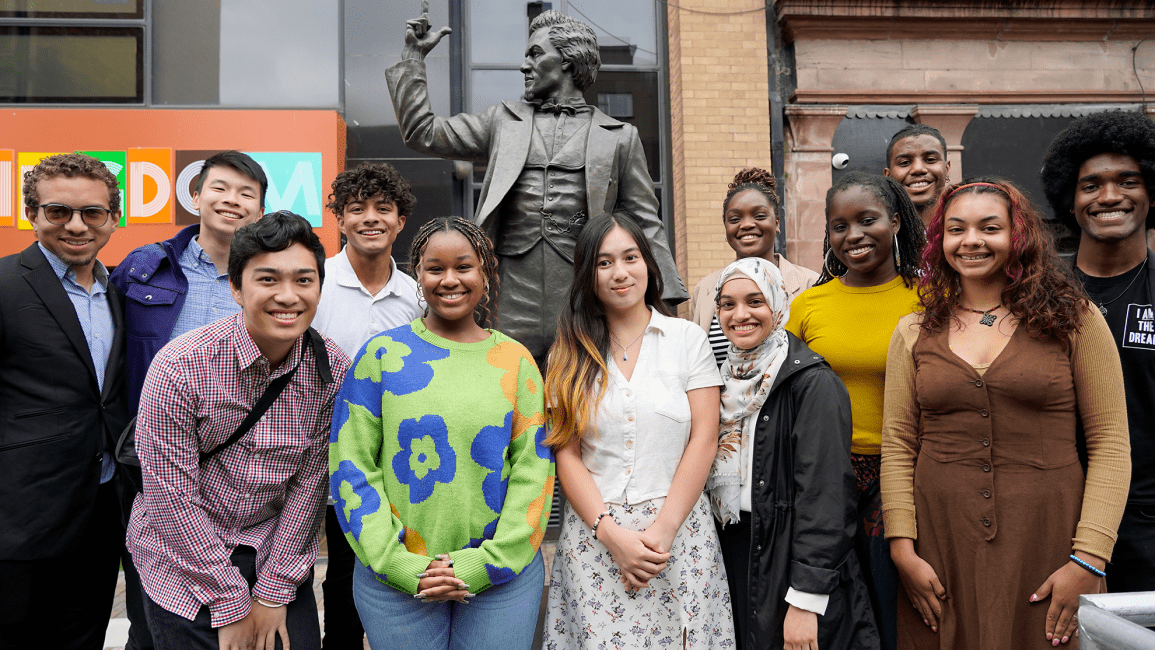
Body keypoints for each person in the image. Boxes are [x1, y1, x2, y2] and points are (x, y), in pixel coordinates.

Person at [881, 177, 1131, 649]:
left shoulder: (1076, 319)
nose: (971, 241)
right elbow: (897, 444)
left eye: (989, 228)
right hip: (941, 544)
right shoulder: (913, 329)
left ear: (1018, 236)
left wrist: (1089, 559)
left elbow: (1111, 443)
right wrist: (902, 548)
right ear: (940, 240)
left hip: (1049, 539)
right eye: (956, 230)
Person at [386, 9, 687, 365]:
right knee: (507, 402)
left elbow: (644, 219)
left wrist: (666, 296)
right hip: (508, 296)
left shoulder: (619, 138)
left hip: (579, 299)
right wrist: (413, 59)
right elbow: (423, 132)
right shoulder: (503, 122)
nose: (524, 66)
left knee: (578, 407)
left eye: (535, 54)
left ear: (568, 62)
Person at [126, 212, 352, 650]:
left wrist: (273, 591)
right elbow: (170, 497)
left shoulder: (333, 371)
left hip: (271, 547)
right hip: (180, 553)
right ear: (235, 287)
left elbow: (310, 487)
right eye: (267, 279)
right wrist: (228, 600)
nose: (288, 296)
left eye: (303, 281)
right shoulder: (181, 366)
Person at [329, 216, 554, 650]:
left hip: (502, 579)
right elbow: (351, 463)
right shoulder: (381, 355)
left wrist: (485, 564)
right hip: (395, 580)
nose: (449, 279)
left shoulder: (516, 360)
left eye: (464, 266)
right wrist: (397, 563)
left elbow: (535, 471)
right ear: (418, 275)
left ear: (485, 273)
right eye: (435, 268)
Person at [543, 213, 734, 648]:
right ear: (587, 275)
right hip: (596, 542)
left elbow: (704, 439)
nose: (620, 272)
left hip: (680, 537)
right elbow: (566, 453)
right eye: (604, 262)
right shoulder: (567, 353)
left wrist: (663, 532)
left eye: (630, 257)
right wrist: (611, 536)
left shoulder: (687, 339)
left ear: (648, 264)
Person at [110, 148, 267, 650]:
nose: (232, 201)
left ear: (259, 210)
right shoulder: (144, 269)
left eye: (247, 194)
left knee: (228, 609)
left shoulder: (269, 280)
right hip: (151, 464)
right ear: (195, 196)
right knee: (150, 609)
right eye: (220, 188)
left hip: (239, 471)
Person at [786, 172, 925, 650]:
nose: (854, 236)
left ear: (896, 223)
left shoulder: (931, 300)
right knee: (837, 617)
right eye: (839, 226)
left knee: (896, 611)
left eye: (868, 220)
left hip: (905, 477)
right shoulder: (807, 305)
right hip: (826, 481)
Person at [708, 257, 878, 650]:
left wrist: (805, 599)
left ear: (778, 305)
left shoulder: (812, 382)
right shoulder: (718, 380)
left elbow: (826, 499)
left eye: (754, 301)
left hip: (790, 558)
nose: (740, 315)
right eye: (728, 304)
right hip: (733, 550)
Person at [0, 153, 130, 649]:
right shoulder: (7, 284)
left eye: (92, 213)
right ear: (32, 215)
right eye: (58, 212)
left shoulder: (120, 289)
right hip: (18, 520)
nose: (76, 225)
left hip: (99, 512)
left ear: (112, 219)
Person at [1041, 110, 1155, 593]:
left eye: (1127, 181)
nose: (1109, 197)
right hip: (1055, 514)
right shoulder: (1035, 293)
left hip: (1146, 520)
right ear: (1070, 199)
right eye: (1091, 185)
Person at [312, 162, 423, 650]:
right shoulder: (316, 283)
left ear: (401, 221)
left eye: (384, 209)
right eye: (357, 209)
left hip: (397, 459)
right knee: (335, 577)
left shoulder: (418, 294)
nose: (370, 218)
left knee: (387, 568)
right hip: (316, 450)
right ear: (339, 219)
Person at [691, 167, 819, 364]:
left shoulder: (810, 284)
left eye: (759, 216)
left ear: (777, 223)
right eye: (735, 219)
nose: (747, 225)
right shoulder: (705, 290)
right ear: (726, 227)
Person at [884, 125, 950, 227]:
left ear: (947, 169)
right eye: (905, 162)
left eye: (930, 159)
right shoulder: (879, 231)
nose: (918, 169)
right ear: (888, 176)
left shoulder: (968, 225)